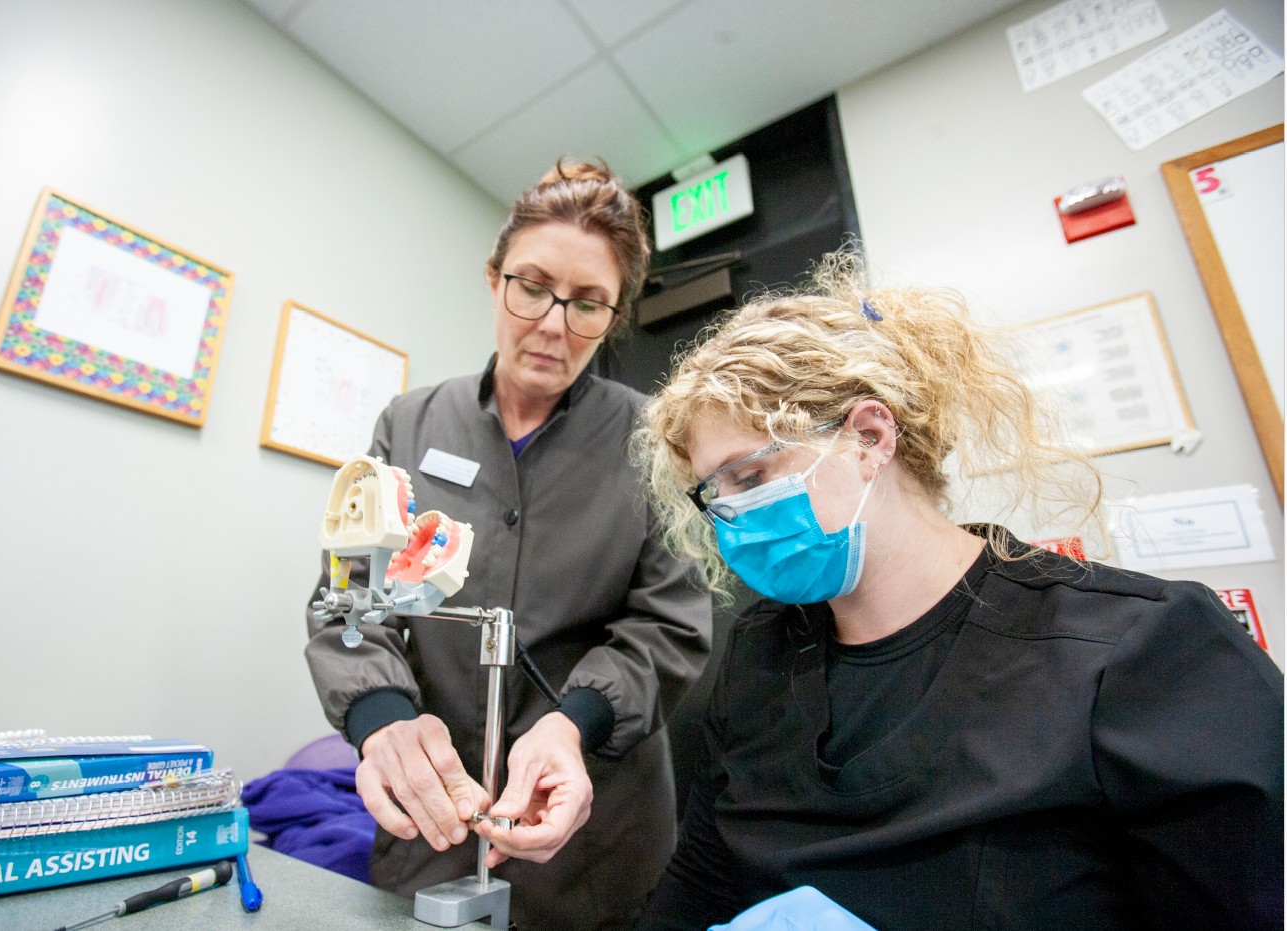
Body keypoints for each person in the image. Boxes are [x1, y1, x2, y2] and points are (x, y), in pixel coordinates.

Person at [632, 254, 1284, 930]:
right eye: (714, 496)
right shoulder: (760, 651)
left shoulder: (1146, 654)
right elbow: (702, 877)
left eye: (750, 475)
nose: (730, 517)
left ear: (869, 436)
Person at [304, 158, 711, 931]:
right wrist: (382, 717)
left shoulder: (652, 439)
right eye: (533, 285)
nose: (555, 324)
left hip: (594, 837)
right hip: (433, 830)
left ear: (615, 315)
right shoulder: (411, 423)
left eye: (589, 303)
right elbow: (347, 596)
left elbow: (671, 621)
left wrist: (574, 721)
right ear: (494, 279)